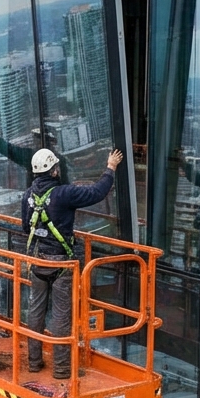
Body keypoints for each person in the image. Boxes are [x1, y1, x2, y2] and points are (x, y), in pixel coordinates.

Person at [22, 146, 124, 378]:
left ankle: (34, 362)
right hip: (61, 264)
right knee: (60, 316)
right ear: (54, 171)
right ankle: (61, 368)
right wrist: (110, 167)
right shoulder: (63, 194)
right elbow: (96, 193)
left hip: (37, 262)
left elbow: (25, 227)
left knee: (36, 311)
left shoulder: (28, 195)